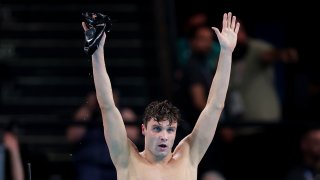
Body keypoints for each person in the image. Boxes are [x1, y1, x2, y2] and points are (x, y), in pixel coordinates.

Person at [81, 12, 239, 179]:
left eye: (170, 130)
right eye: (157, 128)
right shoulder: (126, 158)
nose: (164, 136)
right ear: (144, 129)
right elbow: (107, 106)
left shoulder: (189, 157)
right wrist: (96, 52)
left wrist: (226, 53)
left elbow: (215, 106)